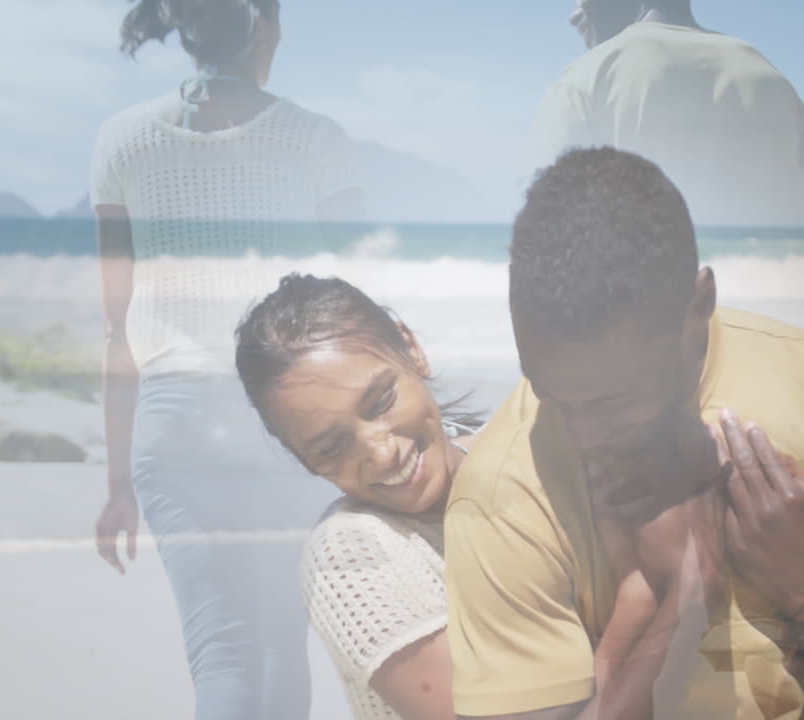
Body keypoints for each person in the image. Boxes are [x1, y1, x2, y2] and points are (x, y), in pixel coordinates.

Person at [444, 147, 804, 719]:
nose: (581, 434)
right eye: (546, 390)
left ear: (698, 307)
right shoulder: (503, 495)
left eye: (613, 403)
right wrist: (686, 598)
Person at [89, 2, 363, 718]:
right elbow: (361, 302)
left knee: (224, 650)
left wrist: (119, 479)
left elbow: (116, 329)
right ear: (264, 29)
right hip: (282, 417)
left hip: (171, 425)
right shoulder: (316, 140)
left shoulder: (120, 144)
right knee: (278, 642)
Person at [232, 273, 669, 720]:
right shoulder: (353, 556)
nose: (382, 453)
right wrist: (654, 603)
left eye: (380, 400)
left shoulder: (534, 455)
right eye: (332, 446)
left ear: (412, 349)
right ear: (305, 460)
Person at [529, 0, 804, 341]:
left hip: (649, 362)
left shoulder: (584, 80)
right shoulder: (773, 80)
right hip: (776, 349)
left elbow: (548, 250)